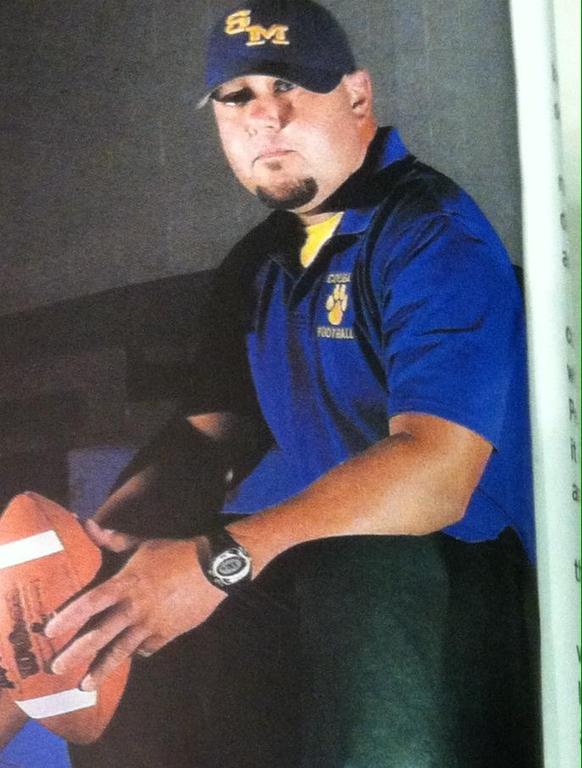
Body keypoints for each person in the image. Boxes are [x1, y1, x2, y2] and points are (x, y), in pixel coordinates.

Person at [1, 1, 540, 766]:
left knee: (353, 573)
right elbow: (205, 441)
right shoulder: (258, 265)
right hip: (311, 568)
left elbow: (438, 471)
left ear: (357, 97)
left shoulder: (432, 234)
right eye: (237, 97)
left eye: (290, 86)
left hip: (457, 578)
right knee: (130, 623)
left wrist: (215, 560)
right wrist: (100, 556)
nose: (264, 116)